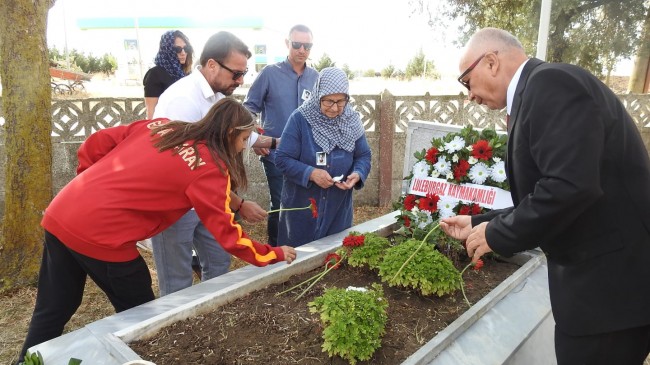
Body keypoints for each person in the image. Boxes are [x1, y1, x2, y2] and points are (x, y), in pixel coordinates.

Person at [16, 98, 297, 364]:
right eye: (244, 138)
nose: (244, 146)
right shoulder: (210, 168)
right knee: (145, 320)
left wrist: (90, 185)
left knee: (54, 306)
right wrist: (273, 254)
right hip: (103, 237)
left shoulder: (165, 126)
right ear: (230, 133)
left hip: (63, 210)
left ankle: (24, 361)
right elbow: (229, 236)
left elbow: (96, 142)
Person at [440, 27, 650, 364]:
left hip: (610, 294)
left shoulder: (551, 84)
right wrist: (479, 222)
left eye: (466, 81)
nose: (469, 96)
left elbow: (569, 186)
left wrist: (497, 234)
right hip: (602, 291)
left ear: (491, 62)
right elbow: (549, 189)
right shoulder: (537, 89)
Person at [151, 31, 275, 296]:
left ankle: (208, 314)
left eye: (244, 74)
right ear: (211, 65)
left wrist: (278, 144)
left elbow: (247, 136)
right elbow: (191, 173)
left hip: (206, 201)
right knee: (177, 280)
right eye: (236, 74)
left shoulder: (219, 97)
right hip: (175, 204)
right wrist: (238, 203)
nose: (240, 81)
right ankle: (178, 330)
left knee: (218, 260)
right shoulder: (182, 100)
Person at [275, 67, 371, 247]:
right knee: (298, 263)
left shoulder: (352, 120)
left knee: (334, 258)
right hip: (302, 208)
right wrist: (311, 173)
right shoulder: (300, 119)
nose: (335, 108)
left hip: (338, 208)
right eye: (328, 101)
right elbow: (282, 158)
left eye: (341, 101)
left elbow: (363, 155)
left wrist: (358, 173)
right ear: (318, 94)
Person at [243, 24, 319, 246]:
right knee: (280, 202)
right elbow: (248, 109)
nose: (302, 50)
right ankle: (275, 251)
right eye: (297, 44)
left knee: (305, 202)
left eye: (307, 45)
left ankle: (303, 247)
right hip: (275, 154)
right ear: (287, 44)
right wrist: (255, 137)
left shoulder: (316, 78)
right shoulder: (269, 74)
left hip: (307, 156)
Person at [143, 30, 193, 119]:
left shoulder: (187, 73)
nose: (183, 53)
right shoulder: (155, 74)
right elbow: (151, 113)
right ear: (167, 50)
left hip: (187, 125)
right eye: (177, 49)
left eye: (186, 48)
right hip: (165, 128)